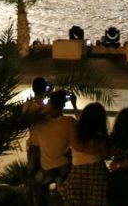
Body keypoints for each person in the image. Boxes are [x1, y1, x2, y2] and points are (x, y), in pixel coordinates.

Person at [61, 102, 110, 206]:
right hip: (97, 177)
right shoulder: (100, 138)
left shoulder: (75, 132)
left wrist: (75, 106)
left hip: (77, 176)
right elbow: (106, 155)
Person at [35, 90, 76, 186]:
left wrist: (48, 106)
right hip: (63, 166)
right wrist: (74, 106)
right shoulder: (69, 122)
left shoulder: (40, 122)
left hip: (46, 168)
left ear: (50, 104)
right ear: (63, 105)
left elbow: (35, 117)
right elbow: (83, 127)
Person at [23, 77, 49, 206]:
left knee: (31, 180)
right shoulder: (47, 107)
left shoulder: (28, 105)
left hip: (33, 146)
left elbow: (24, 120)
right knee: (43, 181)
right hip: (45, 147)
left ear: (33, 89)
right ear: (45, 90)